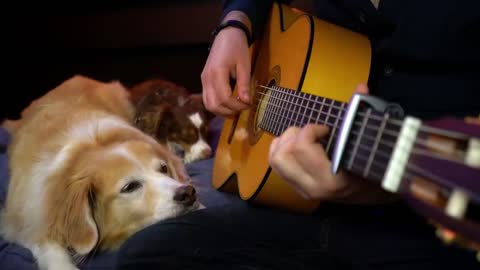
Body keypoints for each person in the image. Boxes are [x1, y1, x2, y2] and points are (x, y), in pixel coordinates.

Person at [114, 1, 480, 269]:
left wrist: (383, 189)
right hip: (315, 209)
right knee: (143, 254)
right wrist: (235, 24)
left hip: (435, 232)